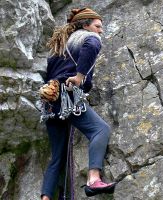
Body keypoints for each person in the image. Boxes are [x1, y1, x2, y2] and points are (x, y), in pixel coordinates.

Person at [40, 7, 116, 200]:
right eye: (98, 26)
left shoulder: (59, 49)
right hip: (68, 94)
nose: (100, 31)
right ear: (85, 25)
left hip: (50, 100)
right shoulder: (88, 38)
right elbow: (92, 46)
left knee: (58, 156)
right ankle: (93, 179)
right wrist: (80, 76)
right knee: (100, 130)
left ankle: (45, 197)